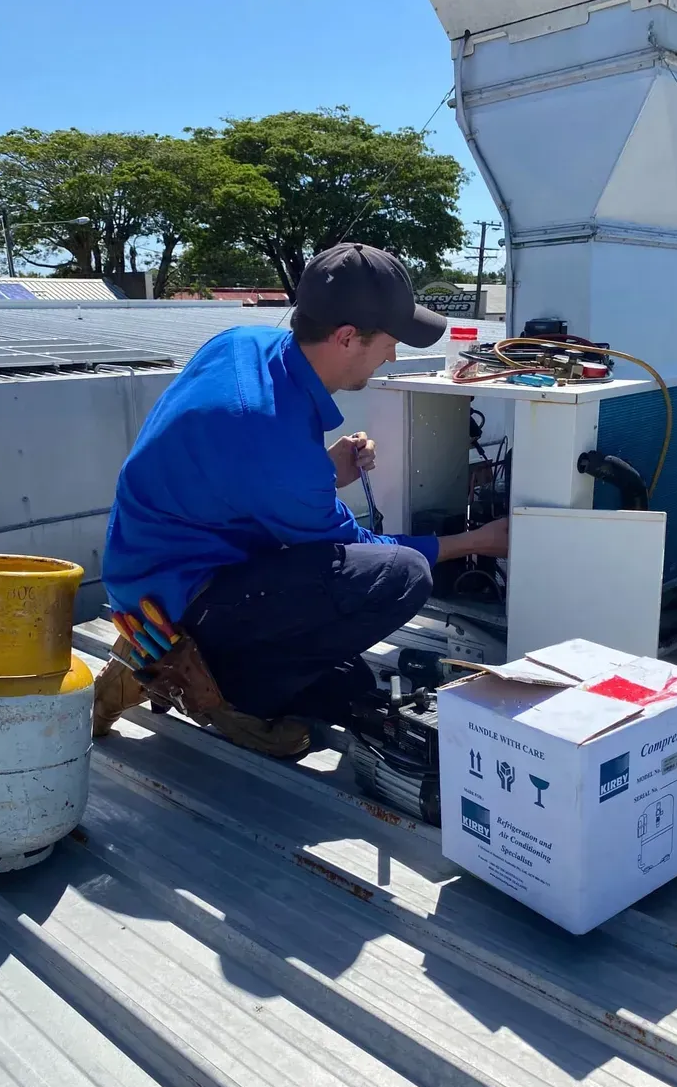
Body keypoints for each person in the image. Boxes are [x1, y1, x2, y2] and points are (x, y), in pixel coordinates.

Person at [93, 243, 508, 751]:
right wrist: (476, 542)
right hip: (185, 598)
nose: (393, 357)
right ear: (348, 337)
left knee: (348, 688)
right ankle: (221, 694)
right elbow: (367, 551)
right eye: (390, 343)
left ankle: (150, 663)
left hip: (148, 580)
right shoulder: (268, 435)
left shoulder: (241, 345)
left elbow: (230, 477)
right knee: (403, 575)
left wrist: (321, 474)